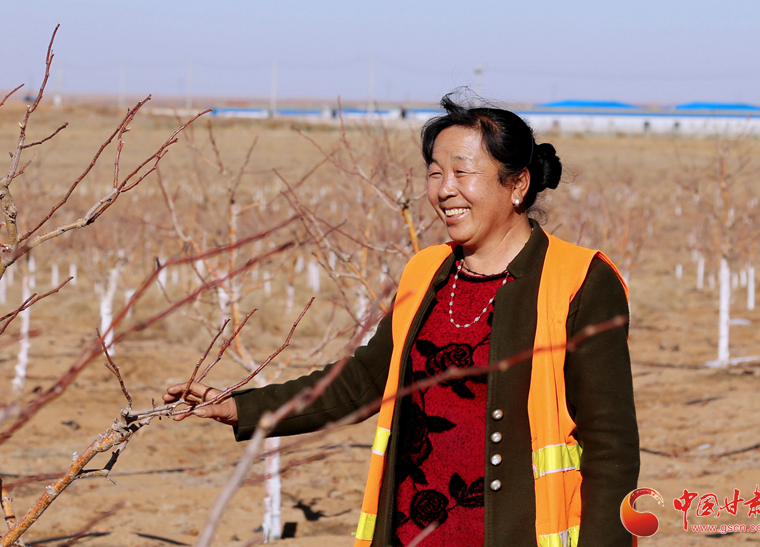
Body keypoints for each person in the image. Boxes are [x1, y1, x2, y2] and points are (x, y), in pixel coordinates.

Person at [164, 94, 639, 547]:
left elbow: (611, 448)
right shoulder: (426, 270)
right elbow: (363, 382)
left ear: (516, 185)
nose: (444, 189)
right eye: (435, 173)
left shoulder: (580, 280)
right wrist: (244, 408)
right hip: (413, 531)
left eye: (462, 172)